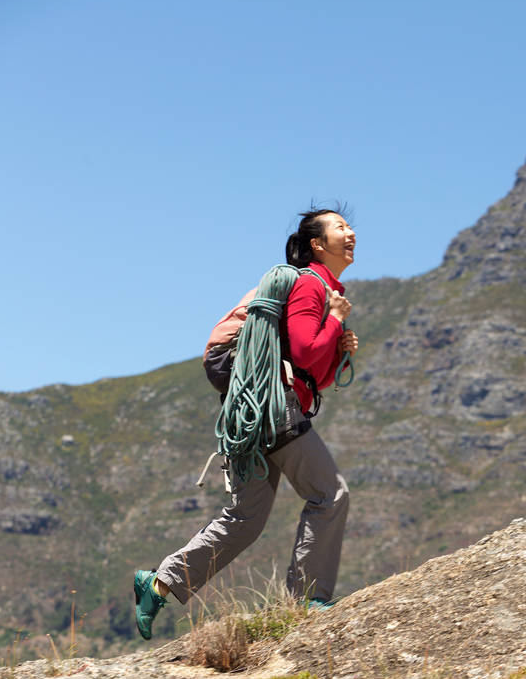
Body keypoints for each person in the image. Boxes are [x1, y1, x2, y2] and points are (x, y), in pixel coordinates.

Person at [134, 208, 359, 640]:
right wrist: (332, 321)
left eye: (349, 227)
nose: (350, 233)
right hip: (276, 407)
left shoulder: (324, 291)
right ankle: (306, 599)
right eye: (340, 227)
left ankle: (159, 583)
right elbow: (304, 351)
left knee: (245, 518)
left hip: (255, 410)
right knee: (330, 494)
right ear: (317, 244)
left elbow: (316, 376)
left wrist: (339, 346)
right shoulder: (311, 285)